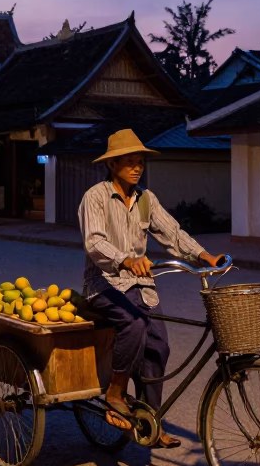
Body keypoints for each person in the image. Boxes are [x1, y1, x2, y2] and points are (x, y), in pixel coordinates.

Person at [78, 128, 226, 448]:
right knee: (133, 324)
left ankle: (150, 421)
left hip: (141, 286)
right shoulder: (96, 197)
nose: (136, 167)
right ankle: (115, 391)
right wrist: (125, 260)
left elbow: (172, 233)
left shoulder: (146, 199)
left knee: (159, 344)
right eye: (129, 162)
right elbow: (94, 242)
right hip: (103, 284)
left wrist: (204, 255)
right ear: (112, 164)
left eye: (140, 162)